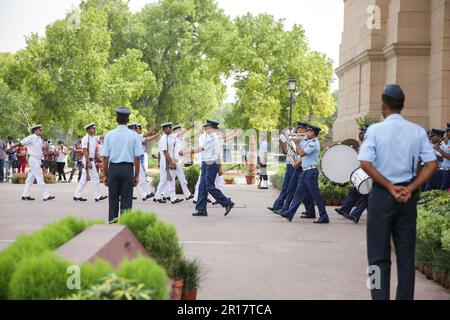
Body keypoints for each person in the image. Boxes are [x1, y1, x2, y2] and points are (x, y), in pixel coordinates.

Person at [358, 84, 437, 300]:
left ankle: (377, 297)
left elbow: (364, 162)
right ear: (402, 106)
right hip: (407, 197)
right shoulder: (418, 131)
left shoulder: (374, 130)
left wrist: (389, 186)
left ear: (383, 106)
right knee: (405, 257)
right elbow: (431, 164)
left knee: (376, 257)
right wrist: (409, 188)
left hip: (381, 196)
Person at [281, 124, 329, 224]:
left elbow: (302, 153)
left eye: (308, 131)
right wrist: (293, 142)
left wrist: (298, 144)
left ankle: (324, 216)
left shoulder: (314, 143)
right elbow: (298, 152)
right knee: (298, 194)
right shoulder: (307, 142)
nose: (306, 133)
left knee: (316, 195)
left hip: (311, 172)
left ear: (313, 133)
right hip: (305, 171)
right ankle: (290, 213)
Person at [102, 108, 144, 223]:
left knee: (113, 201)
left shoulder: (109, 135)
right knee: (126, 202)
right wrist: (136, 176)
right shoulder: (134, 136)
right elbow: (137, 157)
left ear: (116, 120)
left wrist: (105, 175)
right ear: (128, 120)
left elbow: (105, 157)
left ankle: (112, 226)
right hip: (127, 169)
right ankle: (125, 229)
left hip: (114, 169)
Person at [268, 122, 315, 217]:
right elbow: (286, 152)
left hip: (299, 165)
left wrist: (294, 142)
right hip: (292, 165)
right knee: (291, 188)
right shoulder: (297, 139)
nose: (297, 131)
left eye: (299, 129)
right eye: (297, 129)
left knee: (298, 190)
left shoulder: (305, 140)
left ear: (304, 129)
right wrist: (282, 142)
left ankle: (286, 209)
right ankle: (282, 207)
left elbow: (301, 153)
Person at [192, 120, 235, 217]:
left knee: (208, 185)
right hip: (205, 162)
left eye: (208, 128)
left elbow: (201, 149)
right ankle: (201, 209)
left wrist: (187, 152)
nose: (206, 129)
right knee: (202, 186)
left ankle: (227, 202)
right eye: (206, 128)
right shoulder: (210, 137)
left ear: (213, 129)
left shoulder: (212, 138)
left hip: (211, 163)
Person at [5, 125, 55, 201]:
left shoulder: (39, 138)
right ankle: (46, 195)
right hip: (34, 160)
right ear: (35, 131)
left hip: (37, 160)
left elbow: (40, 148)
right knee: (40, 177)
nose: (41, 131)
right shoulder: (31, 137)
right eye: (40, 130)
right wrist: (9, 149)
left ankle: (25, 195)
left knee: (30, 179)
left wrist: (46, 146)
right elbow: (20, 143)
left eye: (41, 129)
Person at [334, 126, 370, 223]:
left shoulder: (372, 147)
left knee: (366, 197)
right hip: (360, 174)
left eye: (364, 133)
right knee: (353, 192)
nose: (362, 135)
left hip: (369, 175)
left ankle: (355, 214)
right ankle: (345, 209)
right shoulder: (361, 147)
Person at [73, 123, 108, 202]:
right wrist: (88, 162)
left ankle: (77, 195)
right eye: (93, 128)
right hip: (88, 160)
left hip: (90, 160)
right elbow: (85, 151)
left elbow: (102, 137)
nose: (95, 129)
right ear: (89, 129)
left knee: (84, 179)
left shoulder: (93, 138)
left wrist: (111, 133)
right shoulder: (85, 138)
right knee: (95, 178)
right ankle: (97, 196)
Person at [128, 123, 159, 201]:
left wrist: (157, 134)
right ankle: (144, 194)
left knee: (140, 177)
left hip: (133, 160)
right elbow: (147, 134)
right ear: (134, 129)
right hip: (134, 160)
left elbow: (148, 138)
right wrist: (155, 128)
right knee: (141, 177)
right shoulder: (135, 136)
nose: (140, 130)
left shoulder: (135, 137)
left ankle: (144, 194)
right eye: (138, 128)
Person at [169, 124, 194, 200]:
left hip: (177, 162)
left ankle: (187, 194)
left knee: (182, 178)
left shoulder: (180, 139)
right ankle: (171, 197)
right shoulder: (173, 139)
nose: (182, 132)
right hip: (172, 161)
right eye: (180, 130)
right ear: (177, 131)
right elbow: (171, 151)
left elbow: (190, 137)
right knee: (171, 180)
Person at [434, 123, 450, 190]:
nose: (446, 134)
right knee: (442, 189)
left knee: (443, 189)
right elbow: (442, 157)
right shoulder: (445, 141)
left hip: (448, 170)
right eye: (446, 131)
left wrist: (439, 150)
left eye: (447, 132)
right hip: (444, 169)